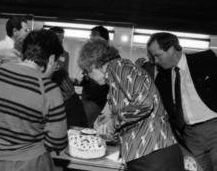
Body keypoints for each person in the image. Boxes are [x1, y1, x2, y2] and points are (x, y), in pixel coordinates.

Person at [0, 29, 68, 171]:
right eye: (56, 65)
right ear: (50, 59)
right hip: (29, 164)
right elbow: (57, 141)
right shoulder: (48, 89)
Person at [78, 38, 185, 171]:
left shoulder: (118, 66)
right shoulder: (116, 76)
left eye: (86, 72)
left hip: (153, 155)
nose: (88, 77)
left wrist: (113, 122)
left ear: (93, 64)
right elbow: (134, 118)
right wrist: (114, 131)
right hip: (148, 154)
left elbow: (145, 103)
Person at [147, 32, 217, 171]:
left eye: (158, 55)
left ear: (172, 49)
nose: (155, 61)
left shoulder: (205, 60)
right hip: (189, 136)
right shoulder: (162, 78)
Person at [49, 26, 87, 127]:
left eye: (62, 37)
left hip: (64, 92)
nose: (60, 39)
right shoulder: (45, 53)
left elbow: (65, 73)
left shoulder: (65, 54)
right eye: (58, 36)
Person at [75, 25, 110, 127]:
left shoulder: (110, 56)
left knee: (82, 124)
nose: (91, 38)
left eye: (94, 35)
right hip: (87, 94)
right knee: (84, 124)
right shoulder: (93, 53)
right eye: (91, 35)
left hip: (96, 99)